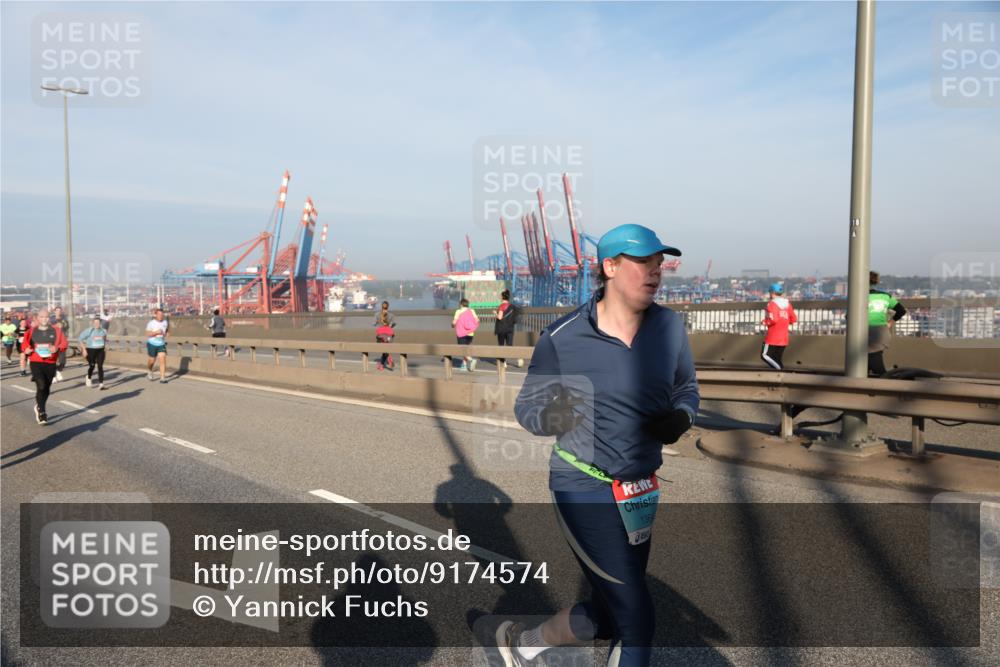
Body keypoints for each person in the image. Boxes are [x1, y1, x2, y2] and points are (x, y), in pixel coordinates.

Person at [503, 223, 699, 667]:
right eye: (643, 263)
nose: (655, 272)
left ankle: (526, 645)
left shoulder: (668, 327)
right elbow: (526, 407)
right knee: (638, 619)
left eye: (659, 264)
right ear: (609, 267)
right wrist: (553, 417)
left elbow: (687, 387)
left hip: (641, 489)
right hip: (583, 485)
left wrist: (681, 417)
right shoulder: (563, 337)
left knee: (613, 613)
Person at [22, 308, 68, 425]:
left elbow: (64, 343)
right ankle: (42, 412)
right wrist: (26, 349)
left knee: (46, 388)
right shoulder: (31, 331)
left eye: (46, 317)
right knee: (41, 385)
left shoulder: (56, 330)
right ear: (38, 318)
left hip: (50, 363)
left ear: (49, 318)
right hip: (36, 362)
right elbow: (24, 344)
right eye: (41, 317)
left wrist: (57, 348)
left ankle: (39, 405)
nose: (44, 319)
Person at [868, 271, 906, 376]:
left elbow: (849, 317)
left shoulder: (857, 297)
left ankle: (888, 383)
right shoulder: (885, 296)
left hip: (866, 333)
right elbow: (901, 311)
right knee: (871, 362)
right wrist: (890, 323)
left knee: (873, 366)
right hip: (881, 333)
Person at [760, 282, 797, 371]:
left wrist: (765, 322)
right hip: (784, 337)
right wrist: (784, 323)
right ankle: (779, 378)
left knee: (765, 355)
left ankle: (781, 371)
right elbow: (794, 319)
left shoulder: (771, 304)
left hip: (773, 337)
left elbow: (773, 319)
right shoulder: (787, 304)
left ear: (772, 293)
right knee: (777, 359)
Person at [78, 316, 108, 389]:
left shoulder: (104, 331)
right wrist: (84, 350)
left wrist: (105, 346)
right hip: (90, 350)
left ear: (100, 323)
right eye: (95, 323)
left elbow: (104, 339)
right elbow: (80, 339)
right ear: (93, 323)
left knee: (100, 366)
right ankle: (88, 377)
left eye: (98, 323)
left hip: (100, 350)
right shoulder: (89, 331)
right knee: (92, 365)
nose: (96, 324)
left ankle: (101, 384)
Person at [494, 289, 520, 369]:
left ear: (502, 297)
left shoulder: (501, 306)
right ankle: (519, 358)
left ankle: (504, 362)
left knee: (501, 345)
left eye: (500, 295)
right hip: (510, 328)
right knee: (509, 345)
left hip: (502, 328)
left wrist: (495, 313)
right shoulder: (512, 306)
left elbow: (500, 317)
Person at [452, 298, 479, 372]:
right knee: (466, 349)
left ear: (461, 304)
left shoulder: (458, 311)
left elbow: (454, 322)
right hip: (470, 334)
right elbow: (477, 320)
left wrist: (452, 325)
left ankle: (471, 360)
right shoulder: (472, 311)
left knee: (462, 350)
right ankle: (464, 365)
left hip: (461, 334)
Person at [145, 308, 169, 383]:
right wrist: (156, 333)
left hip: (161, 343)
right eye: (159, 314)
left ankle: (162, 378)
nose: (161, 316)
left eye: (162, 314)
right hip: (152, 343)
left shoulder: (165, 322)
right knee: (151, 361)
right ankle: (149, 370)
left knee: (162, 358)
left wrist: (167, 334)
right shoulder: (151, 323)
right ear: (156, 315)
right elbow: (147, 334)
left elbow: (167, 330)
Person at [374, 301, 396, 371]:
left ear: (381, 306)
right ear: (388, 306)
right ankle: (382, 364)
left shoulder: (377, 314)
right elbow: (393, 324)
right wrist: (389, 326)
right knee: (385, 350)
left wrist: (378, 324)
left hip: (381, 335)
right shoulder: (392, 315)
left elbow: (374, 323)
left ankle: (383, 363)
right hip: (389, 335)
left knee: (384, 350)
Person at [51, 306, 69, 383]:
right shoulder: (51, 319)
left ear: (61, 311)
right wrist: (55, 326)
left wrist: (63, 325)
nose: (58, 312)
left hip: (62, 342)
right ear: (54, 311)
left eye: (59, 310)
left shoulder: (64, 319)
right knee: (53, 360)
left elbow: (67, 327)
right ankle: (53, 376)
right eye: (57, 310)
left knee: (63, 361)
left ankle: (58, 371)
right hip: (53, 341)